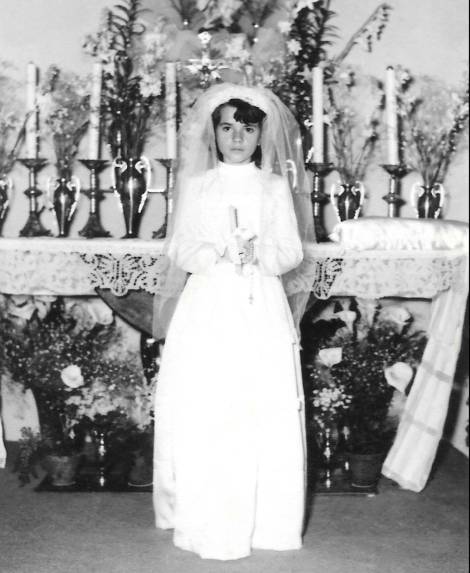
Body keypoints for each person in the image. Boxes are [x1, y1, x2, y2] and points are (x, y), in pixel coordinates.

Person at [152, 82, 315, 561]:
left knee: (258, 402)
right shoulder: (198, 185)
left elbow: (291, 250)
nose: (237, 138)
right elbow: (180, 246)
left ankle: (268, 521)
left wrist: (259, 254)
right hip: (208, 304)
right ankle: (203, 514)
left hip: (258, 302)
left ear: (262, 135)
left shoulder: (273, 187)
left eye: (247, 128)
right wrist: (217, 251)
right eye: (227, 128)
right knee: (210, 402)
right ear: (214, 132)